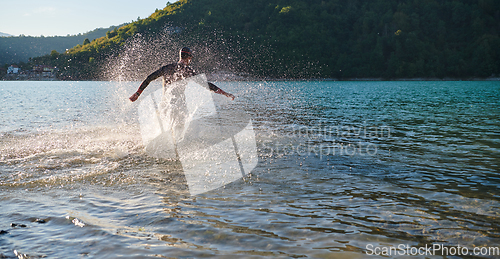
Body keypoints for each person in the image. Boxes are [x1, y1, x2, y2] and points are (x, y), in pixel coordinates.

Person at [129, 47, 235, 102]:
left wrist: (137, 94)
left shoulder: (167, 68)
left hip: (165, 103)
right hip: (179, 104)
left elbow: (149, 78)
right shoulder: (188, 71)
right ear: (189, 58)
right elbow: (207, 85)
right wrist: (226, 94)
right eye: (191, 58)